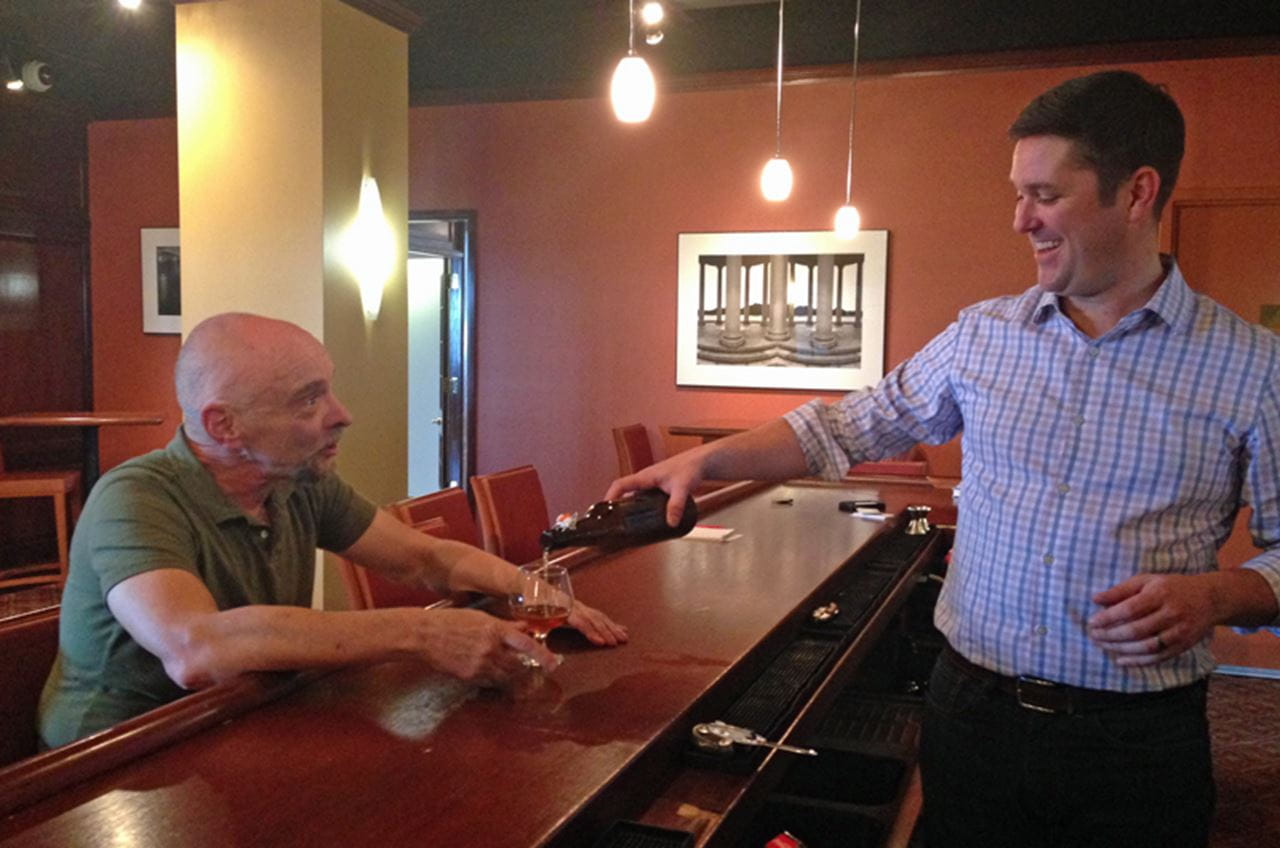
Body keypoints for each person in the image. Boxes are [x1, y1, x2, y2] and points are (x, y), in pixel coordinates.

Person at [608, 70, 1279, 847]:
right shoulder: (979, 336)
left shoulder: (1254, 369)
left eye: (1045, 195)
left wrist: (1220, 595)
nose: (1020, 219)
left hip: (1134, 744)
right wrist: (708, 462)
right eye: (1018, 193)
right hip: (972, 715)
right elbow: (848, 428)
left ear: (1136, 193)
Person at [39, 312, 627, 748]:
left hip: (242, 723)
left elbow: (423, 559)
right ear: (225, 425)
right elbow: (197, 649)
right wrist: (424, 635)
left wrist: (531, 591)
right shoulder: (135, 496)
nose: (341, 414)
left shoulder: (298, 481)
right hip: (117, 764)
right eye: (309, 399)